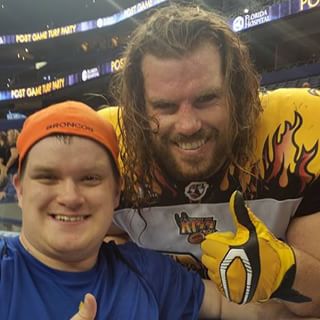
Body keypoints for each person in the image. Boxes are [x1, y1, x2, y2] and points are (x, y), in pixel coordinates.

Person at [98, 4, 320, 317]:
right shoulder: (108, 145)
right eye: (165, 106)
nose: (188, 125)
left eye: (206, 99)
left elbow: (315, 302)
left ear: (238, 93)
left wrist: (283, 270)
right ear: (137, 110)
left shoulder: (290, 135)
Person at [1, 101, 301, 320]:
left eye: (90, 178)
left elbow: (243, 311)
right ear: (21, 187)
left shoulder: (147, 271)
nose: (70, 196)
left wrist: (285, 270)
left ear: (116, 192)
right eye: (48, 177)